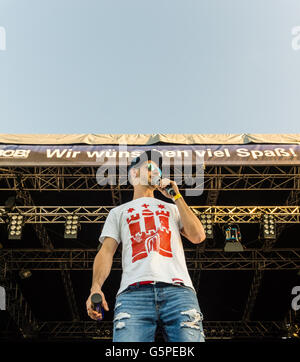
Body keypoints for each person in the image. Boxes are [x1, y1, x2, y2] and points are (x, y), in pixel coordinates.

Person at [86, 150, 206, 342]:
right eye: (149, 167)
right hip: (133, 294)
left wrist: (176, 197)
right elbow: (106, 252)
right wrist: (96, 287)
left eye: (158, 168)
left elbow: (198, 236)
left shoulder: (173, 208)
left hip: (178, 291)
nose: (156, 171)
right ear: (134, 173)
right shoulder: (119, 212)